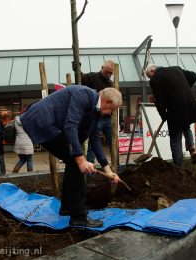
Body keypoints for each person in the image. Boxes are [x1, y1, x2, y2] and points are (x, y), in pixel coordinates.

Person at [20, 85, 121, 228]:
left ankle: (67, 207)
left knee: (73, 162)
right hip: (41, 121)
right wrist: (81, 160)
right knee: (76, 163)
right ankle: (79, 216)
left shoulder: (96, 112)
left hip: (52, 125)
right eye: (112, 110)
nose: (110, 114)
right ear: (108, 102)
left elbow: (95, 138)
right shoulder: (84, 95)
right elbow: (70, 126)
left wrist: (108, 170)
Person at [145, 64, 196, 166]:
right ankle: (192, 147)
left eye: (149, 76)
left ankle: (178, 167)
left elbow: (159, 100)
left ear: (152, 71)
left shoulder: (155, 80)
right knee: (185, 125)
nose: (150, 78)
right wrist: (184, 88)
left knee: (175, 139)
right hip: (190, 104)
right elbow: (194, 76)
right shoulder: (176, 68)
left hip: (175, 109)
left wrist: (163, 115)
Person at [81, 60, 115, 165]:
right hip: (96, 118)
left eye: (110, 73)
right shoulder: (92, 77)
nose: (108, 75)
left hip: (108, 118)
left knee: (113, 143)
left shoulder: (110, 83)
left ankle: (116, 167)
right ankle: (91, 171)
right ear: (102, 67)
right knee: (93, 145)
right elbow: (81, 78)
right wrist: (78, 69)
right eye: (107, 72)